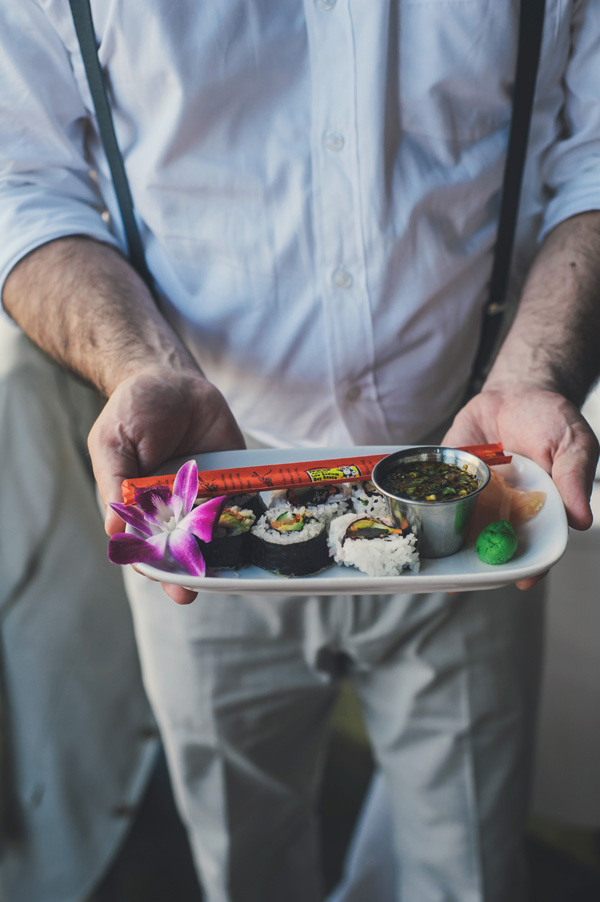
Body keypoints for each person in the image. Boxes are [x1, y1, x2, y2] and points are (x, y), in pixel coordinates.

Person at [0, 2, 599, 901]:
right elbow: (23, 181)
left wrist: (533, 370)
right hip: (197, 504)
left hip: (472, 476)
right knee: (246, 861)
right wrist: (139, 364)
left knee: (469, 867)